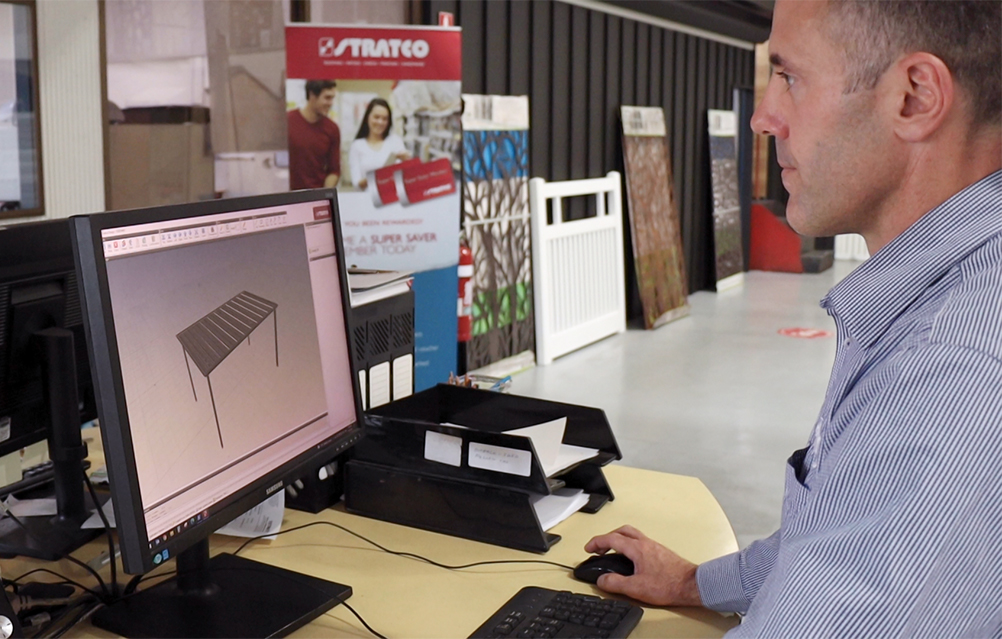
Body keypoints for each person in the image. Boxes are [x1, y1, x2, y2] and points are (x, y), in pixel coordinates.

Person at [586, 1, 1002, 636]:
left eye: (790, 77)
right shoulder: (949, 287)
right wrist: (697, 582)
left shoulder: (951, 371)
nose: (762, 116)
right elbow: (850, 525)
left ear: (915, 98)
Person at [288, 80, 341, 190]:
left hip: (315, 197)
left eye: (332, 98)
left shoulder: (332, 129)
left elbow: (334, 170)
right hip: (286, 196)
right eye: (327, 98)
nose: (331, 103)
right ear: (312, 95)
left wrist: (322, 195)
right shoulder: (287, 121)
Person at [348, 98, 411, 190]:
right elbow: (357, 184)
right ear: (367, 117)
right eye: (376, 117)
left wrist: (407, 161)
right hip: (368, 199)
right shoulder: (357, 146)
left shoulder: (395, 141)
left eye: (385, 119)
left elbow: (405, 175)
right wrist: (381, 174)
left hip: (393, 197)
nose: (380, 122)